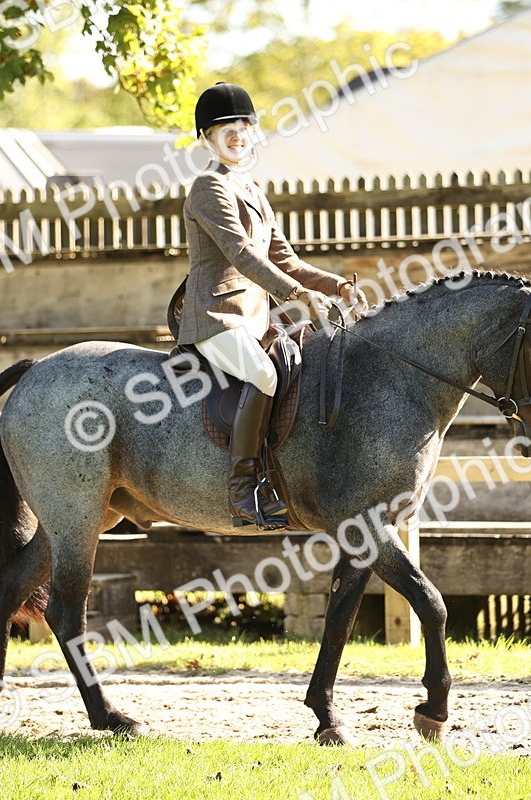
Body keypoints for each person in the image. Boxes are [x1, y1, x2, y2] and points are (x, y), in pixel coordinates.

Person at [176, 82, 363, 529]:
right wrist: (298, 295)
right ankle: (242, 492)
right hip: (215, 317)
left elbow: (284, 258)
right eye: (225, 127)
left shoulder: (252, 189)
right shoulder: (208, 186)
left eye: (243, 125)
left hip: (254, 319)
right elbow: (242, 254)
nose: (237, 134)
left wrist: (337, 286)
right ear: (206, 138)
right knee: (263, 373)